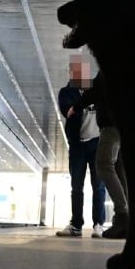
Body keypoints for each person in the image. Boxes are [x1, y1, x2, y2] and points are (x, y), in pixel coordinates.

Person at [56, 57, 106, 238]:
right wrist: (79, 105)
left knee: (98, 185)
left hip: (97, 144)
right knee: (76, 186)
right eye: (76, 72)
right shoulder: (66, 92)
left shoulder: (97, 90)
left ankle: (98, 224)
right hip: (78, 145)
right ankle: (76, 224)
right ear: (71, 74)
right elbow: (68, 112)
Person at [78, 71, 128, 239]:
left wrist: (76, 105)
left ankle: (123, 215)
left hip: (112, 124)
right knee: (118, 170)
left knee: (104, 166)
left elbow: (96, 90)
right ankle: (125, 219)